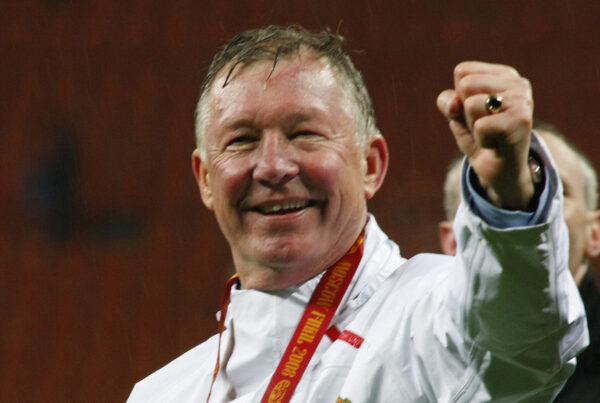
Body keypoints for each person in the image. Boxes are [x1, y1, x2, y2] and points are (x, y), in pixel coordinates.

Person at [128, 25, 588, 402]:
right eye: (241, 140)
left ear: (370, 165)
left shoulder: (429, 317)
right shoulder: (161, 394)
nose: (272, 166)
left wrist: (509, 195)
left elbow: (518, 344)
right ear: (205, 179)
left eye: (305, 133)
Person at [439, 122, 600, 402]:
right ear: (453, 241)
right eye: (489, 193)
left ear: (594, 232)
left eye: (556, 191)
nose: (521, 206)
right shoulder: (415, 357)